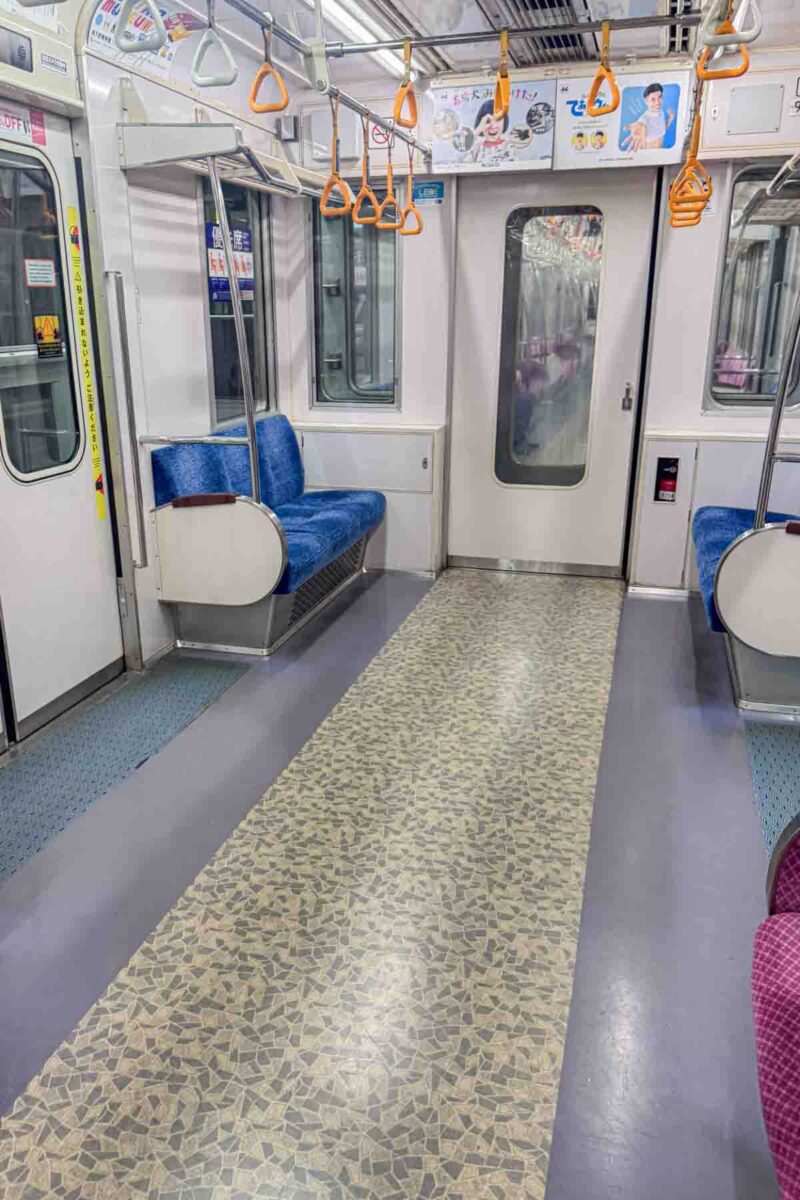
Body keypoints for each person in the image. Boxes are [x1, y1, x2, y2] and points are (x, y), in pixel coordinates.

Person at [623, 82, 675, 152]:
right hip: (649, 154)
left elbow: (661, 129)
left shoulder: (661, 113)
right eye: (653, 99)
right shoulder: (645, 119)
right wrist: (638, 128)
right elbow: (641, 125)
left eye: (660, 97)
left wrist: (670, 119)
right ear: (646, 101)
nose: (658, 102)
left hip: (660, 151)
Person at [471, 99, 510, 163]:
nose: (493, 126)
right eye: (487, 121)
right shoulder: (477, 147)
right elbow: (460, 165)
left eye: (498, 120)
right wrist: (478, 130)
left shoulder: (509, 146)